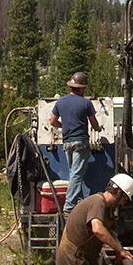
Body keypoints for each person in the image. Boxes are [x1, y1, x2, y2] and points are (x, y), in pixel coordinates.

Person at [50, 72, 102, 214]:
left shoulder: (60, 101)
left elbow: (52, 121)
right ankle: (69, 205)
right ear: (83, 87)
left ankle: (77, 202)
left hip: (66, 142)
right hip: (81, 142)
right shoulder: (86, 103)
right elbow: (94, 123)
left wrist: (64, 126)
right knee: (77, 175)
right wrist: (98, 128)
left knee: (73, 172)